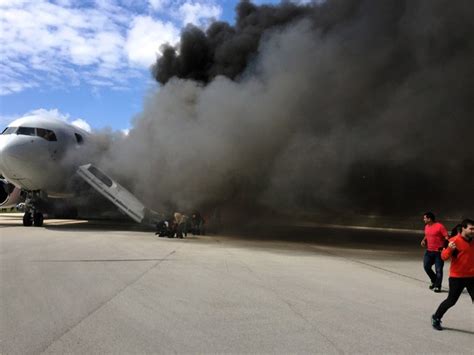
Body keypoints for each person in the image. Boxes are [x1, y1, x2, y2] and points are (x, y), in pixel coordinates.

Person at [431, 219, 474, 330]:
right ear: (463, 228)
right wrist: (450, 248)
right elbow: (443, 257)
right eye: (471, 229)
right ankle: (436, 317)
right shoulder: (454, 241)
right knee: (451, 301)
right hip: (457, 278)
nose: (473, 231)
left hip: (472, 277)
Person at [420, 212, 449, 292]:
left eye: (425, 218)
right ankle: (434, 280)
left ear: (429, 219)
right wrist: (423, 240)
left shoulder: (440, 226)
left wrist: (444, 248)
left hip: (438, 252)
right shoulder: (426, 226)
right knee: (426, 266)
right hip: (429, 251)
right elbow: (427, 234)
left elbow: (446, 237)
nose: (424, 219)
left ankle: (437, 286)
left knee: (438, 270)